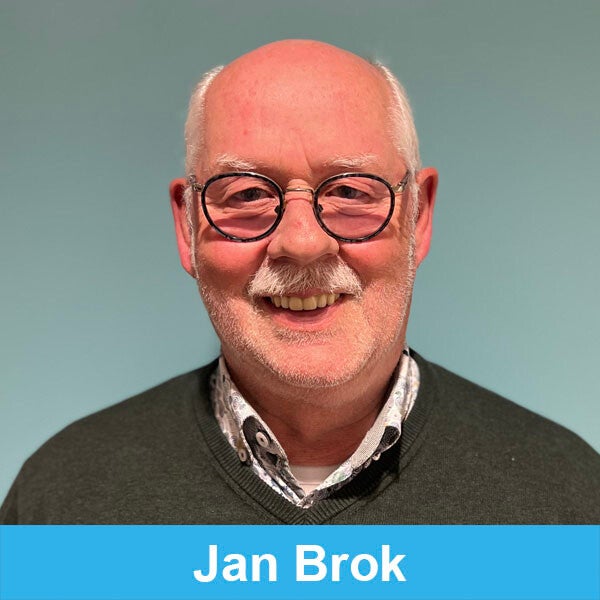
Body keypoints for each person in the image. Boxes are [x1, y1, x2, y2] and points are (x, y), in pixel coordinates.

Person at [1, 40, 598, 524]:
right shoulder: (63, 504)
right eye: (246, 195)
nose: (303, 242)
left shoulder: (567, 504)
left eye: (351, 191)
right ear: (187, 228)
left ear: (419, 216)